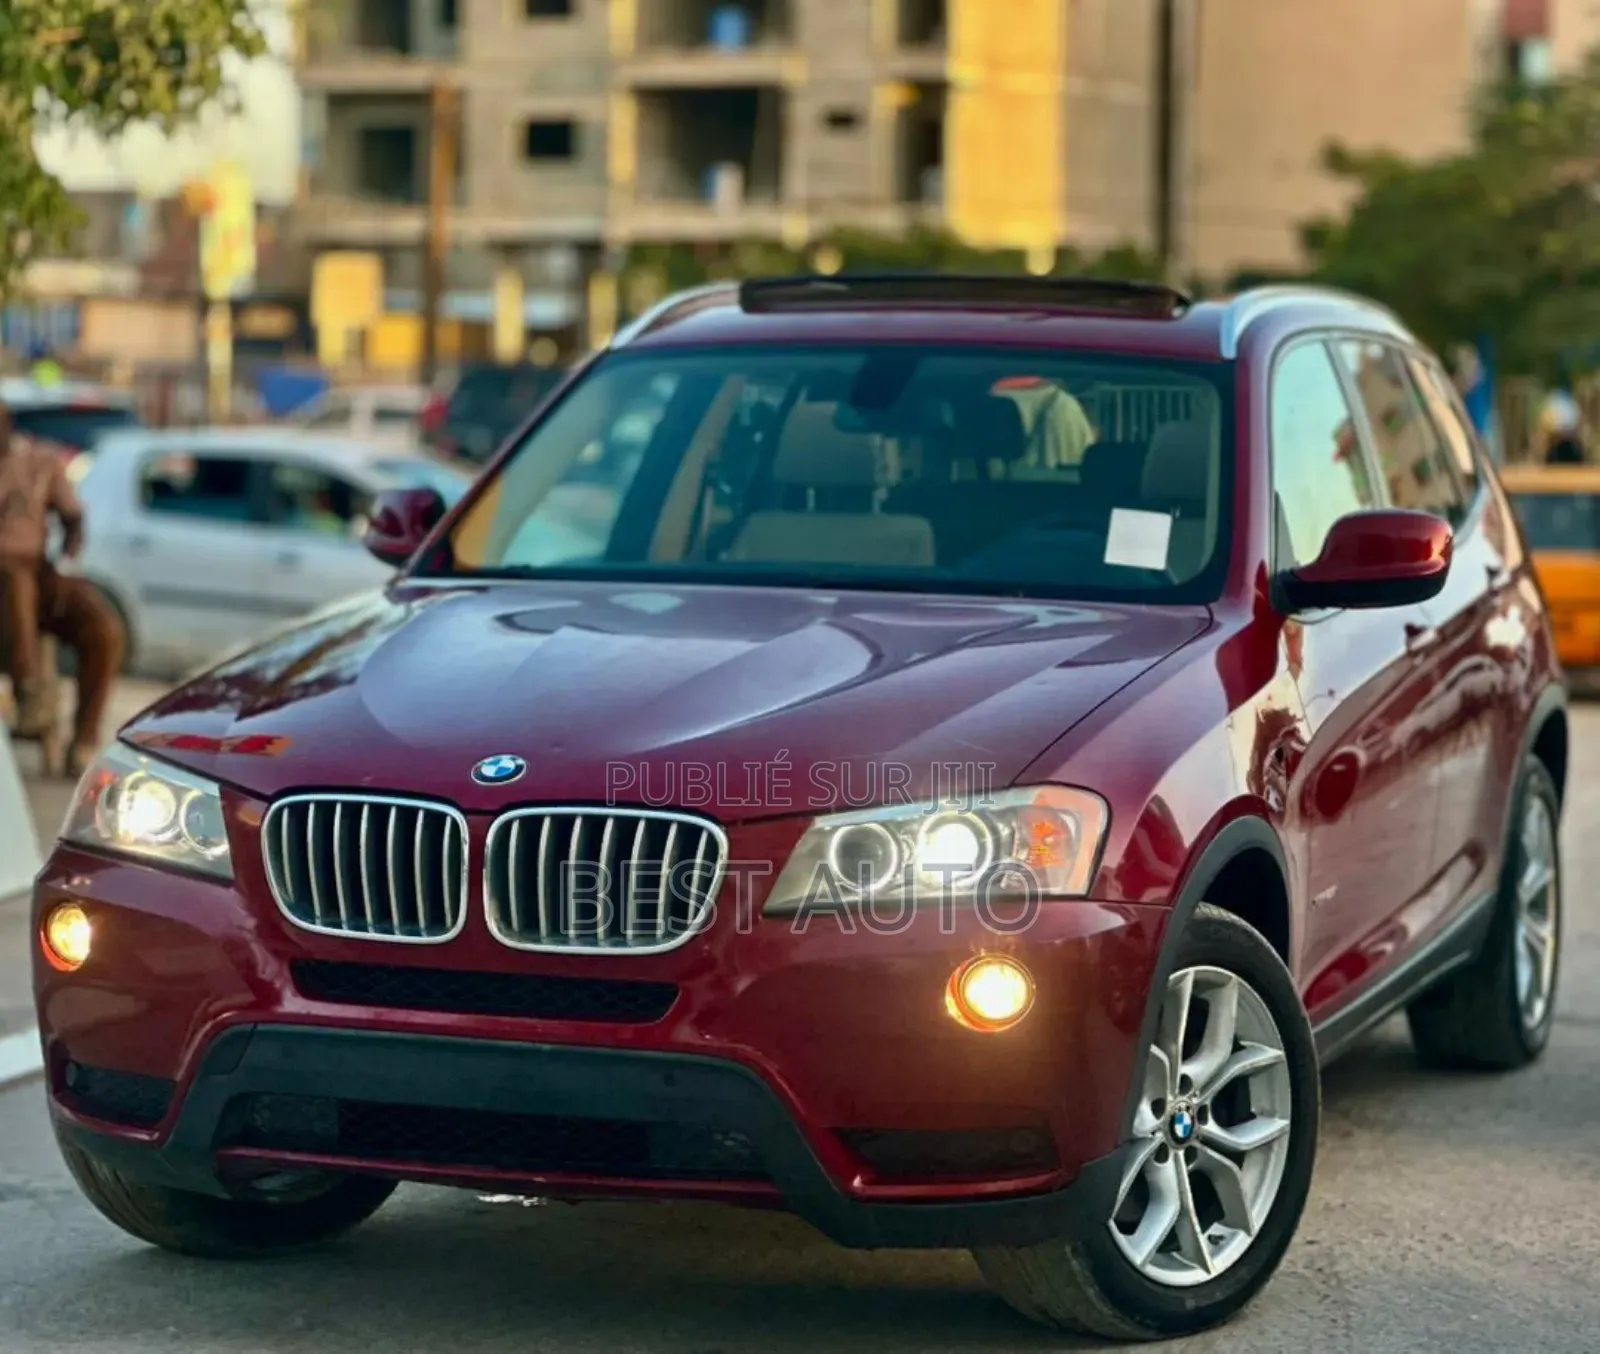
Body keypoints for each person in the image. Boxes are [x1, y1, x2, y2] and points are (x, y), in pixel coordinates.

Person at [0, 402, 125, 774]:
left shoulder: (39, 461)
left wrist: (68, 559)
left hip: (38, 569)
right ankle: (32, 695)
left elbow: (73, 518)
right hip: (7, 577)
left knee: (102, 626)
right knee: (12, 578)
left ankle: (83, 738)